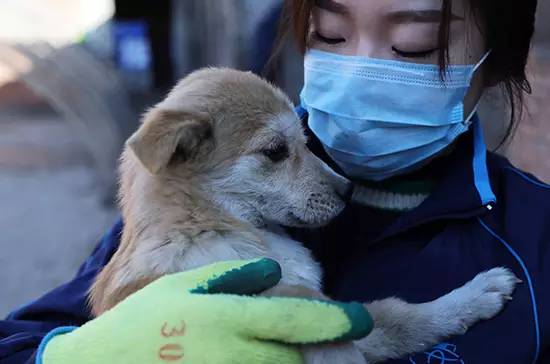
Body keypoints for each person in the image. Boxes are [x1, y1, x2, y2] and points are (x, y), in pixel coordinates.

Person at [1, 0, 548, 363]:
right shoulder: (179, 209)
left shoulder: (535, 236)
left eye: (414, 44)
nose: (357, 70)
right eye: (328, 34)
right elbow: (18, 341)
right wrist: (70, 354)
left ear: (499, 59)